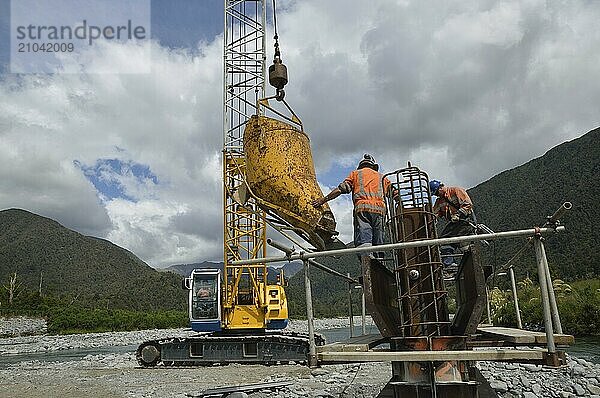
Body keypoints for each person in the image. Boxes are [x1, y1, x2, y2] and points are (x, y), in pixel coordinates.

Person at [312, 154, 393, 255]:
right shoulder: (382, 178)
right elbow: (394, 193)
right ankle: (380, 262)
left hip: (363, 210)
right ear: (374, 166)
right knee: (379, 242)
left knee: (364, 241)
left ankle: (367, 263)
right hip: (380, 212)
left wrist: (323, 200)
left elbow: (340, 190)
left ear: (361, 166)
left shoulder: (356, 174)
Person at [430, 179, 476, 247]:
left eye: (436, 193)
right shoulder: (439, 201)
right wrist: (433, 219)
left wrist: (458, 215)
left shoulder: (456, 190)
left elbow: (468, 204)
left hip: (466, 221)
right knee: (445, 244)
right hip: (455, 223)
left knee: (462, 244)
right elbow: (435, 214)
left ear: (440, 188)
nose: (437, 195)